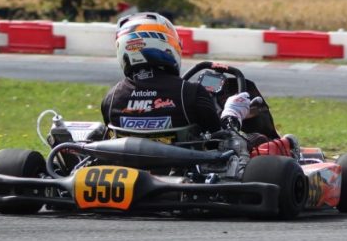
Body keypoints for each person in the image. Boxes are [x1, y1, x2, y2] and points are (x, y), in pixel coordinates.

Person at [101, 12, 296, 156]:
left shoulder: (111, 98)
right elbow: (221, 141)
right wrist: (232, 115)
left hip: (128, 166)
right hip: (187, 171)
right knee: (260, 141)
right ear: (167, 46)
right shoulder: (190, 93)